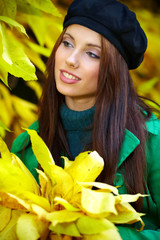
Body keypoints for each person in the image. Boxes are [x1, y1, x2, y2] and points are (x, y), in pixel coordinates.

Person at [11, 0, 160, 239]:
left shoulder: (153, 142)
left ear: (114, 71)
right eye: (67, 43)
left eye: (92, 53)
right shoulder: (28, 143)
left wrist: (105, 236)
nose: (71, 59)